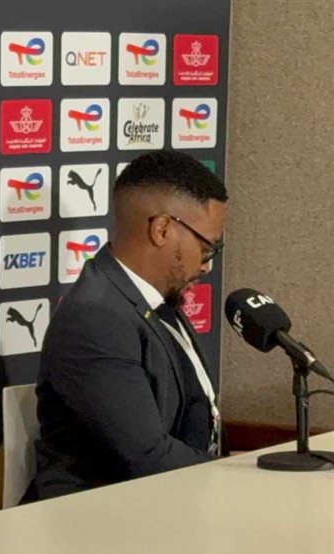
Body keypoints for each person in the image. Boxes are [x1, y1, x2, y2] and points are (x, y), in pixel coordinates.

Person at [27, 150, 229, 501]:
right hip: (100, 519)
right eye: (207, 247)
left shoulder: (152, 300)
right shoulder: (96, 318)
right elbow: (147, 457)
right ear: (162, 229)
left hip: (169, 503)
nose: (207, 265)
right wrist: (235, 478)